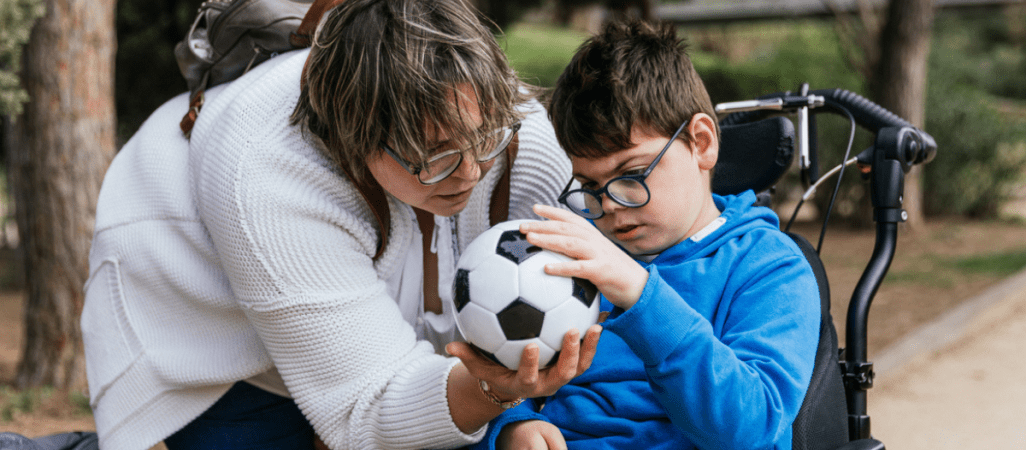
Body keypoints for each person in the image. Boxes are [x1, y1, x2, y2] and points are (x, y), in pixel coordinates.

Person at [80, 1, 600, 449]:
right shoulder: (270, 178)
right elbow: (364, 409)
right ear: (354, 139)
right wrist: (494, 391)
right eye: (434, 157)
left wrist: (509, 407)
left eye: (483, 138)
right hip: (210, 320)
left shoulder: (517, 133)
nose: (469, 172)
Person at [475, 20, 821, 449]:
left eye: (632, 174)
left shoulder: (769, 266)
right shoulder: (577, 253)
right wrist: (513, 426)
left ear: (702, 142)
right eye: (588, 186)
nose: (612, 204)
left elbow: (751, 429)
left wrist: (642, 294)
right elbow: (512, 376)